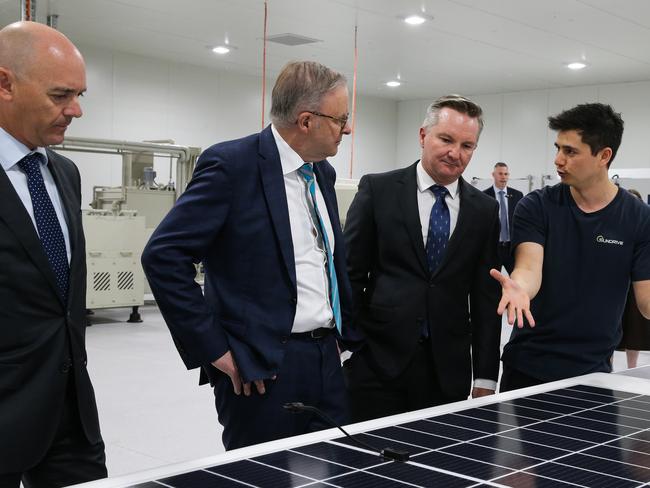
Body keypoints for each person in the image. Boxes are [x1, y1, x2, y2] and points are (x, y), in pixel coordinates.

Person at [142, 61, 362, 450]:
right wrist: (215, 349)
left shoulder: (321, 173)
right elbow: (163, 256)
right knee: (265, 475)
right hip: (263, 369)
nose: (348, 128)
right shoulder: (233, 166)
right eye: (341, 118)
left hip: (327, 358)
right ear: (306, 120)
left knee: (333, 468)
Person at [343, 95, 502, 422]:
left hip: (448, 371)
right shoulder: (379, 190)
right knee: (366, 466)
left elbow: (486, 300)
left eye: (467, 145)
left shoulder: (484, 211)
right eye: (446, 139)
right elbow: (350, 275)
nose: (455, 153)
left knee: (438, 467)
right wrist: (349, 344)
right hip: (377, 364)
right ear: (422, 136)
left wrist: (485, 376)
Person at [0, 21, 106, 487]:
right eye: (60, 95)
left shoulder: (65, 173)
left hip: (70, 409)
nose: (76, 110)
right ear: (5, 83)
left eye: (79, 94)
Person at [492, 103, 650, 391]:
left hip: (595, 374)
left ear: (604, 156)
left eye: (570, 151)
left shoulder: (638, 217)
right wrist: (519, 287)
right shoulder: (536, 206)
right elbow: (528, 267)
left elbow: (646, 301)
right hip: (528, 369)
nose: (558, 160)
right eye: (558, 148)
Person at [618, 189, 650, 369]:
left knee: (635, 332)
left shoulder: (643, 229)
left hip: (638, 287)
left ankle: (632, 367)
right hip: (615, 287)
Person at [483, 162, 523, 274]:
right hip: (493, 247)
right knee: (492, 281)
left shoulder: (517, 195)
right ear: (493, 175)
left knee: (517, 278)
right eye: (500, 173)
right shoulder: (484, 196)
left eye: (506, 174)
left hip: (512, 247)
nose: (503, 177)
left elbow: (521, 222)